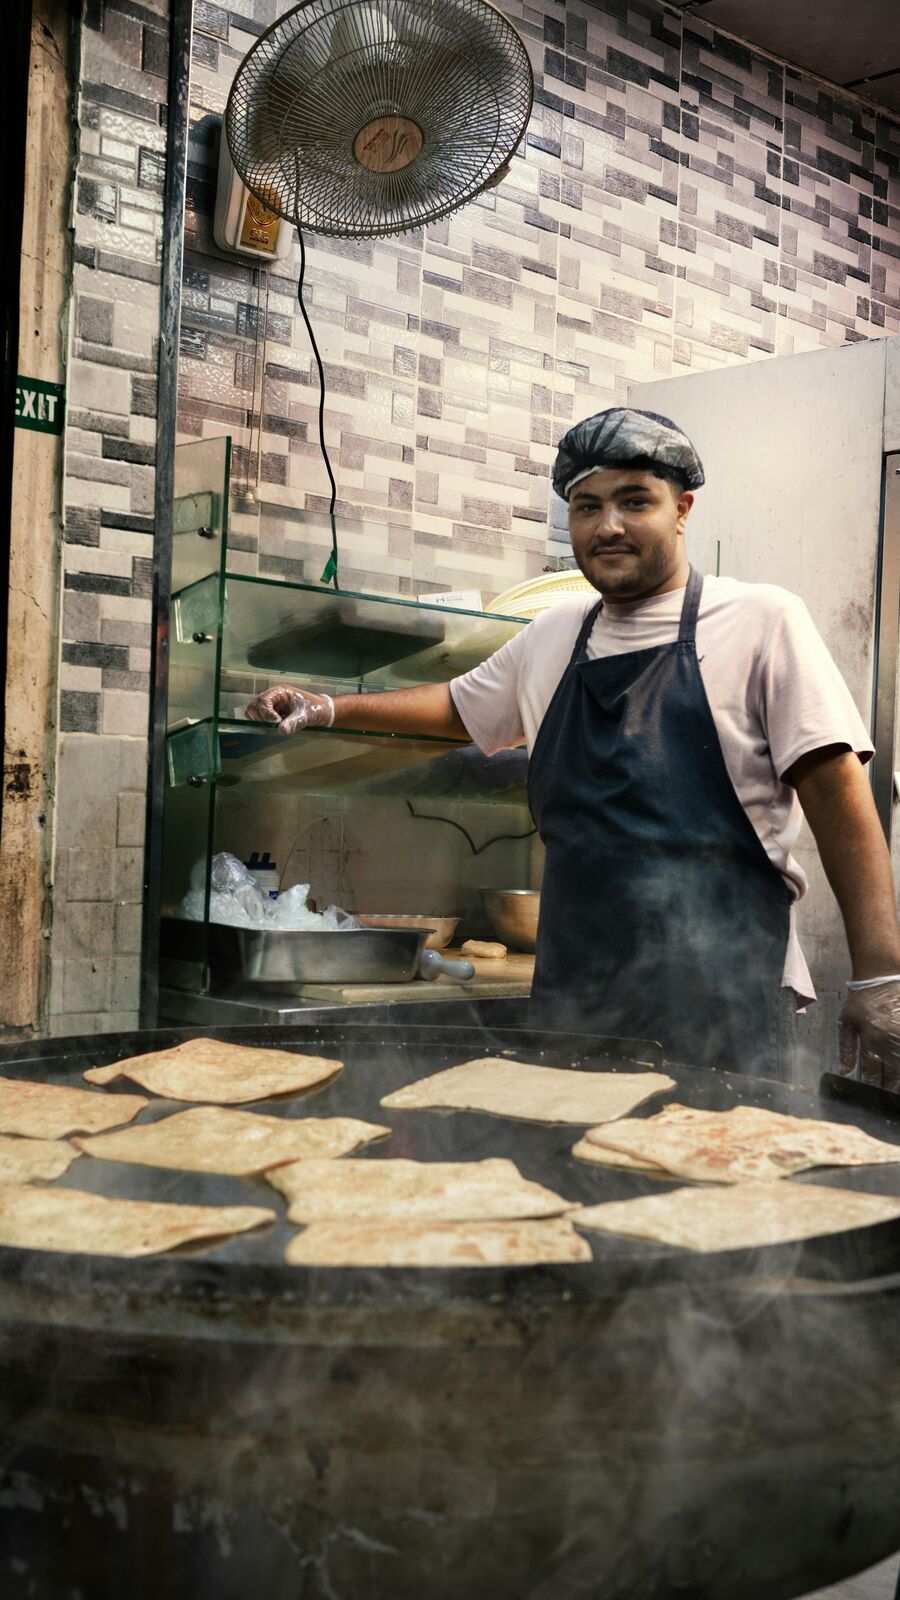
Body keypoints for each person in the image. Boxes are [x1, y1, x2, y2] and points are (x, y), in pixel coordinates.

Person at [245, 406, 900, 1086]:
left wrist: (880, 976)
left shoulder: (761, 620)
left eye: (634, 501)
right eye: (587, 506)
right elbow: (453, 706)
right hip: (576, 991)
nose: (608, 525)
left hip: (720, 993)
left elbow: (842, 800)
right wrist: (327, 706)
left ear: (682, 510)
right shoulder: (554, 634)